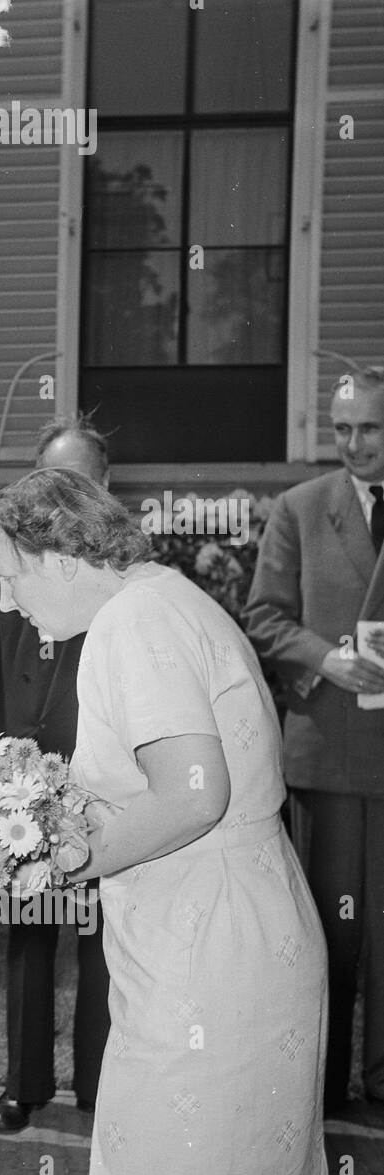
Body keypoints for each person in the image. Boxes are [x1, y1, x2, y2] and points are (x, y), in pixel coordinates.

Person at [0, 467, 334, 1175]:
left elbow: (192, 792)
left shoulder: (131, 621)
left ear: (61, 559)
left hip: (207, 956)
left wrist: (61, 858)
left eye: (8, 576)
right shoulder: (166, 597)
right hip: (241, 931)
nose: (3, 603)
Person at [0, 418, 111, 1134]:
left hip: (105, 785)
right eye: (52, 484)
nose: (63, 501)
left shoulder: (121, 576)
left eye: (80, 484)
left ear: (103, 490)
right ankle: (24, 1086)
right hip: (20, 788)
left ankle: (100, 1088)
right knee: (28, 936)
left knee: (105, 945)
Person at [244, 366, 384, 1116]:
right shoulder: (301, 508)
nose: (353, 443)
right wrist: (325, 658)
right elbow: (262, 619)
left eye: (369, 427)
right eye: (341, 428)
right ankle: (321, 1088)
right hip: (328, 750)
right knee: (332, 926)